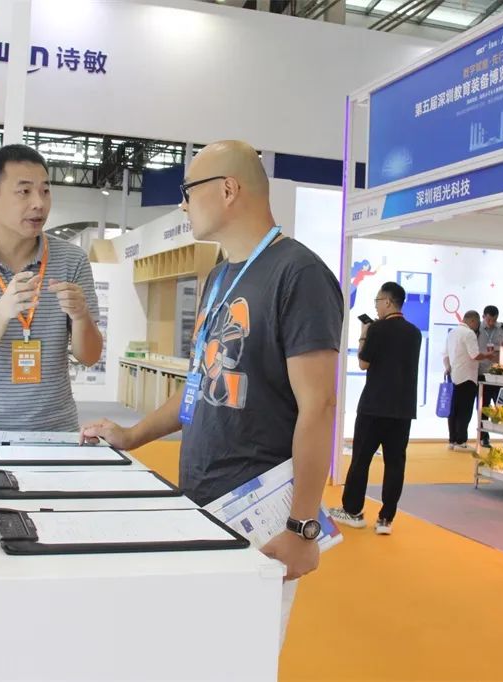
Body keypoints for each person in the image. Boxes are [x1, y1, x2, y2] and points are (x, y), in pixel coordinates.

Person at [82, 140, 342, 639]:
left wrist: (302, 527)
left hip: (260, 513)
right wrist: (132, 436)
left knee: (241, 654)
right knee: (196, 647)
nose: (182, 205)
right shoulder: (220, 276)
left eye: (187, 191)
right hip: (200, 497)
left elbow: (320, 406)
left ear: (227, 189)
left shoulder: (299, 274)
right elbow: (198, 387)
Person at [0, 144, 102, 432]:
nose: (39, 203)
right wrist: (2, 311)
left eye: (45, 190)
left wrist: (81, 317)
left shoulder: (72, 259)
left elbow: (90, 356)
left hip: (55, 430)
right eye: (24, 191)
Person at [332, 281, 422, 535]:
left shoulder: (377, 329)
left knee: (361, 459)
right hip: (403, 408)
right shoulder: (414, 333)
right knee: (395, 463)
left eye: (378, 301)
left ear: (388, 302)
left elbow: (363, 363)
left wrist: (364, 333)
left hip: (374, 405)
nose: (376, 306)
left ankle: (352, 510)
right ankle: (386, 519)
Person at [444, 310, 496, 451]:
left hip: (454, 376)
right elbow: (475, 355)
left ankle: (452, 441)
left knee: (453, 410)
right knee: (465, 411)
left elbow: (445, 355)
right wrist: (488, 355)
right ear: (473, 321)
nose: (478, 326)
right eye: (478, 323)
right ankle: (461, 442)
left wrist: (448, 367)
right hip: (467, 377)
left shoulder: (452, 332)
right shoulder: (469, 334)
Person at [478, 305, 503, 447]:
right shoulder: (477, 329)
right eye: (489, 320)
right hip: (482, 373)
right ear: (483, 317)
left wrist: (499, 349)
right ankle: (484, 438)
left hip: (500, 373)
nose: (491, 323)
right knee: (483, 407)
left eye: (494, 320)